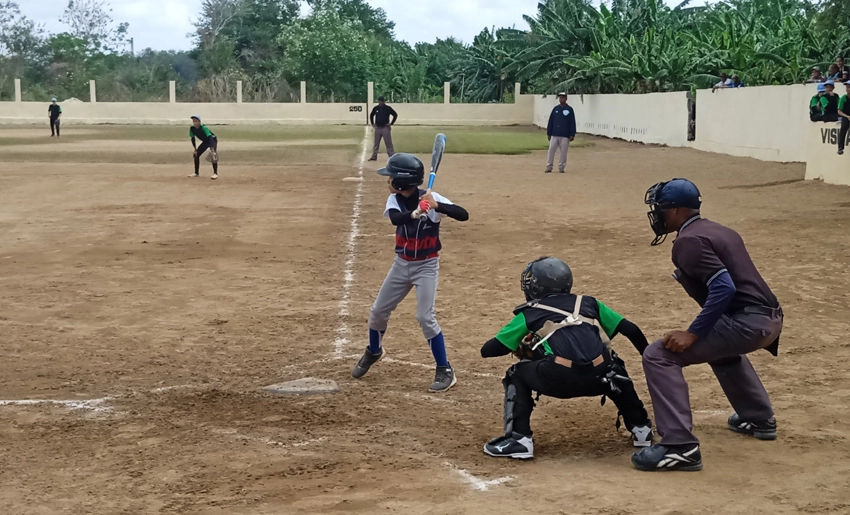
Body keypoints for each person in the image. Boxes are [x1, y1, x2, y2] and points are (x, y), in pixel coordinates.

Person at [633, 179, 783, 472]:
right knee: (720, 349)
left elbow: (723, 289)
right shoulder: (718, 229)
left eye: (661, 208)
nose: (657, 214)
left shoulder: (689, 241)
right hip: (768, 319)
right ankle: (758, 416)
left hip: (749, 323)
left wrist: (692, 333)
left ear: (675, 210)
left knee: (658, 355)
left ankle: (679, 446)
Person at [480, 257, 654, 459]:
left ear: (536, 288)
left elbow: (489, 350)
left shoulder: (530, 313)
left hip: (557, 380)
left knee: (516, 373)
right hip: (599, 380)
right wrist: (649, 359)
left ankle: (520, 440)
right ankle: (641, 428)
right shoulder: (589, 303)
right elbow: (630, 329)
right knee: (613, 365)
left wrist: (525, 345)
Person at [351, 153, 469, 392]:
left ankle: (445, 369)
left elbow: (463, 214)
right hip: (401, 265)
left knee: (425, 317)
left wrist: (437, 206)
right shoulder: (394, 201)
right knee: (377, 311)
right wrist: (416, 213)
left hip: (426, 266)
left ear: (402, 182)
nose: (389, 181)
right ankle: (374, 351)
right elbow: (396, 219)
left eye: (392, 177)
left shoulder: (431, 198)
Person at [545, 92, 576, 173]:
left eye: (563, 97)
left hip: (565, 134)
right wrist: (549, 132)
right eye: (560, 98)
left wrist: (572, 134)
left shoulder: (569, 109)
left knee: (563, 152)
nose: (561, 99)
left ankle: (561, 167)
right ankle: (549, 166)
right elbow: (551, 121)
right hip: (555, 133)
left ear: (566, 98)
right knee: (551, 150)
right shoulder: (556, 109)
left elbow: (572, 122)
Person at [189, 115, 219, 180]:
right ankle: (196, 173)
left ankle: (215, 174)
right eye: (193, 121)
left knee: (213, 155)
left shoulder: (203, 127)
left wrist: (212, 148)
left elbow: (210, 137)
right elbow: (192, 138)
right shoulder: (192, 128)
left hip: (212, 140)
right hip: (205, 141)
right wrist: (195, 149)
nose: (195, 123)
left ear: (199, 121)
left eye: (196, 121)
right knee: (196, 155)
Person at [369, 96, 397, 162]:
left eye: (381, 101)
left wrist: (391, 123)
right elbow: (371, 115)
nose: (380, 102)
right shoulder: (376, 108)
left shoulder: (388, 108)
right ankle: (374, 156)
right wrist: (372, 123)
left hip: (385, 127)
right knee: (376, 143)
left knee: (388, 143)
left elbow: (395, 115)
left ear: (384, 101)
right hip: (378, 127)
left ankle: (391, 156)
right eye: (379, 101)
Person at [837, 82, 850, 155]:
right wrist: (847, 116)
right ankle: (840, 147)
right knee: (843, 128)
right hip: (846, 116)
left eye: (849, 87)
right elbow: (839, 111)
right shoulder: (843, 98)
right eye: (847, 87)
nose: (848, 89)